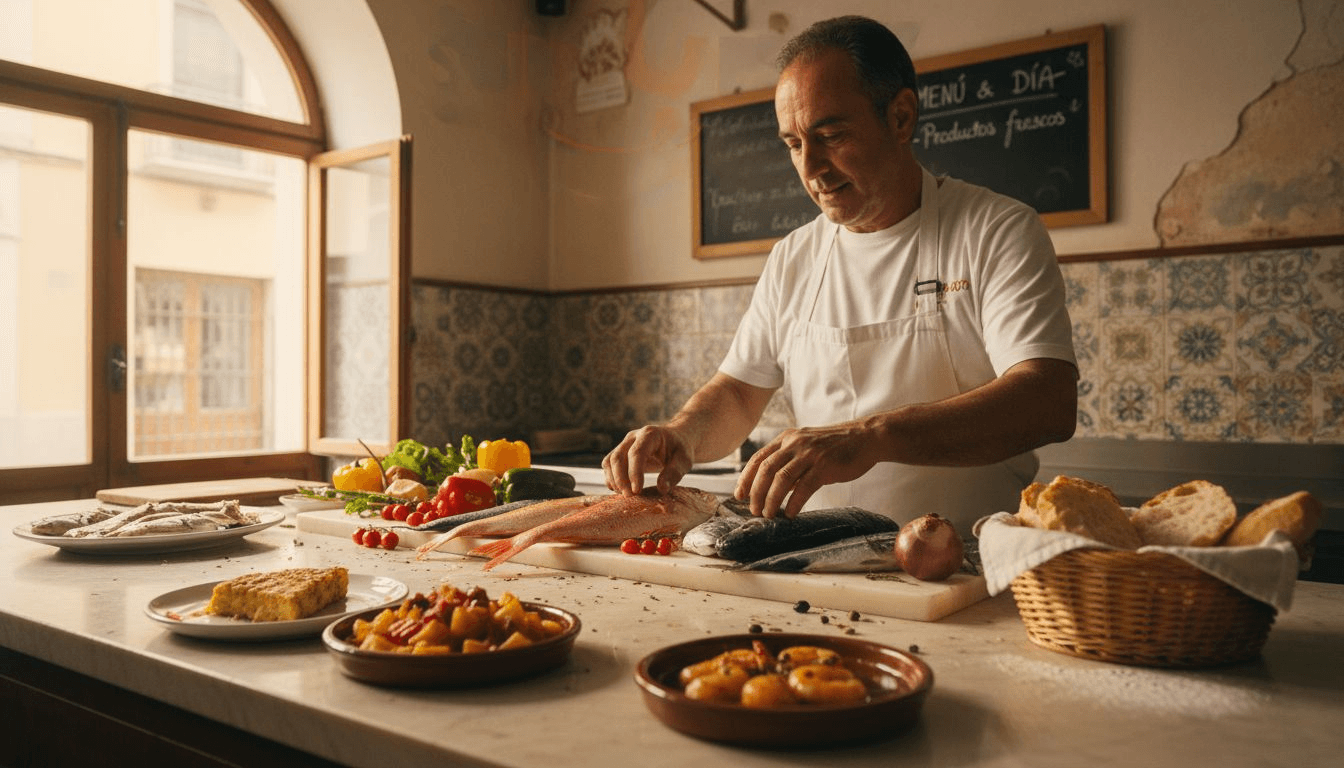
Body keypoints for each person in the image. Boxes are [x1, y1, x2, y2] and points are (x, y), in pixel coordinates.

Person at [603, 15, 1078, 535]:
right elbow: (738, 393)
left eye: (830, 135)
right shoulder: (793, 257)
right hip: (818, 560)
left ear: (901, 118)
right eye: (793, 144)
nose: (811, 168)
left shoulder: (996, 230)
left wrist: (871, 437)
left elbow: (1046, 400)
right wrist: (682, 434)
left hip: (965, 558)